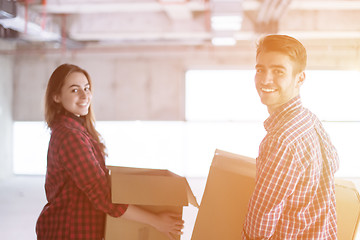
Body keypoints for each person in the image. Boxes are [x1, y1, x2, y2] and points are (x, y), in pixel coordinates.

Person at [36, 63, 184, 240]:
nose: (85, 95)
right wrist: (157, 221)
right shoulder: (70, 136)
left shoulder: (75, 130)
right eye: (75, 90)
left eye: (87, 88)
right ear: (56, 96)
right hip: (70, 230)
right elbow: (102, 195)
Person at [243, 35, 339, 239]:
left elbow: (261, 221)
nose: (265, 79)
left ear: (300, 78)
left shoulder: (282, 140)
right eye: (260, 69)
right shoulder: (310, 120)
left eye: (278, 71)